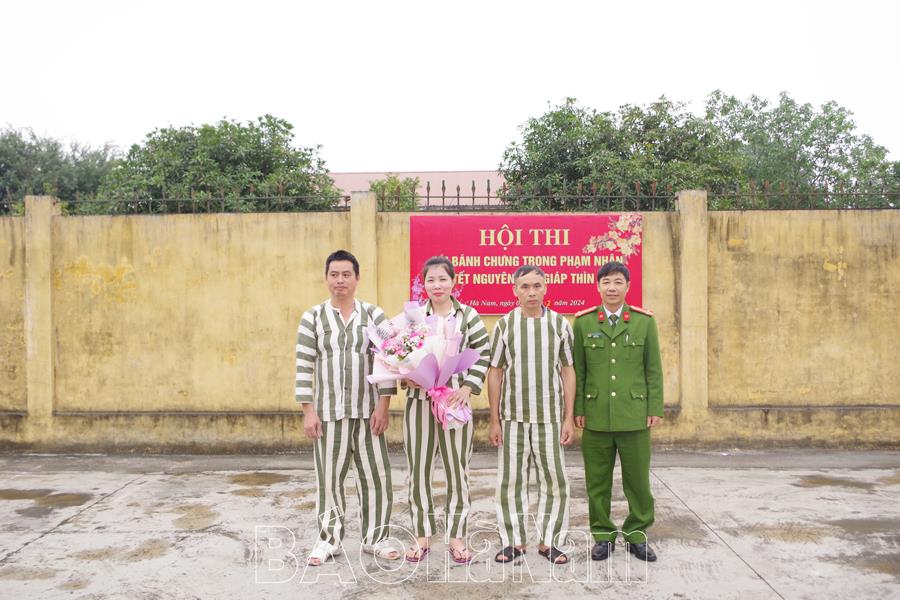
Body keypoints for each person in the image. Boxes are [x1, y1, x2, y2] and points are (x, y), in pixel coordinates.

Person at [295, 249, 400, 566]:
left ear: (357, 278)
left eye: (346, 274)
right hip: (329, 415)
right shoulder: (313, 317)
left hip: (369, 413)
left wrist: (383, 406)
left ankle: (376, 538)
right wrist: (308, 411)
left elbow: (388, 360)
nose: (340, 280)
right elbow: (304, 365)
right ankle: (329, 540)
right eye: (334, 274)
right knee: (329, 479)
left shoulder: (374, 315)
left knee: (376, 478)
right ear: (326, 278)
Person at [573, 261, 663, 563]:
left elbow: (653, 369)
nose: (612, 288)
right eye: (606, 282)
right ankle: (603, 535)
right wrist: (578, 408)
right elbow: (579, 371)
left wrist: (654, 407)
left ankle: (637, 534)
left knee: (638, 482)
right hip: (596, 415)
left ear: (627, 286)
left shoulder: (643, 322)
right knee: (597, 482)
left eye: (618, 282)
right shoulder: (584, 323)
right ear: (598, 286)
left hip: (633, 414)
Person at [403, 256, 491, 564]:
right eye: (431, 280)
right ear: (423, 284)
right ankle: (422, 535)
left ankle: (456, 536)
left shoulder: (468, 316)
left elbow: (483, 353)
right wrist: (406, 377)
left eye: (443, 279)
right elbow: (400, 355)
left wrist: (468, 388)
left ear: (454, 281)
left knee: (457, 470)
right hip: (419, 403)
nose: (437, 285)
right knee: (418, 471)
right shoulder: (414, 317)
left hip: (455, 404)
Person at [488, 265, 576, 565]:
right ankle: (513, 541)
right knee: (510, 481)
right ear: (515, 290)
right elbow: (495, 372)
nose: (531, 292)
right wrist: (494, 419)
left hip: (549, 418)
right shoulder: (505, 325)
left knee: (554, 481)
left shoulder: (559, 324)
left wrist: (568, 417)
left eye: (537, 286)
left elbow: (568, 370)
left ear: (546, 288)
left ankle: (550, 541)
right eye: (524, 286)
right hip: (512, 417)